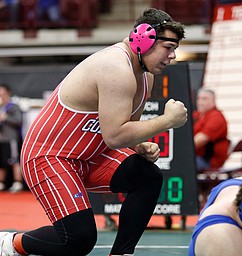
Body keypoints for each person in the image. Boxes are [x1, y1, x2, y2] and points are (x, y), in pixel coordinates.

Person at [0, 8, 187, 256]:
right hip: (50, 157)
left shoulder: (144, 76)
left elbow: (126, 129)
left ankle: (121, 254)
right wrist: (167, 121)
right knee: (78, 239)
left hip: (89, 156)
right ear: (143, 39)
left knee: (147, 176)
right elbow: (115, 136)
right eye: (169, 47)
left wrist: (139, 145)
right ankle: (10, 243)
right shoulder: (115, 67)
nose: (173, 55)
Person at [193, 88, 229, 171]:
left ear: (213, 101)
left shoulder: (216, 117)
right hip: (197, 157)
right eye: (198, 98)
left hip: (209, 161)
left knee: (181, 161)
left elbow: (199, 141)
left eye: (204, 99)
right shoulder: (197, 115)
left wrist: (180, 150)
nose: (200, 102)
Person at [0, 83, 23, 193]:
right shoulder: (0, 107)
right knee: (1, 163)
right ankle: (1, 183)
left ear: (8, 93)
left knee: (13, 161)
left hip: (11, 139)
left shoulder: (13, 107)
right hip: (1, 139)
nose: (1, 96)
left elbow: (18, 121)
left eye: (3, 93)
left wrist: (5, 118)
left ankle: (17, 183)